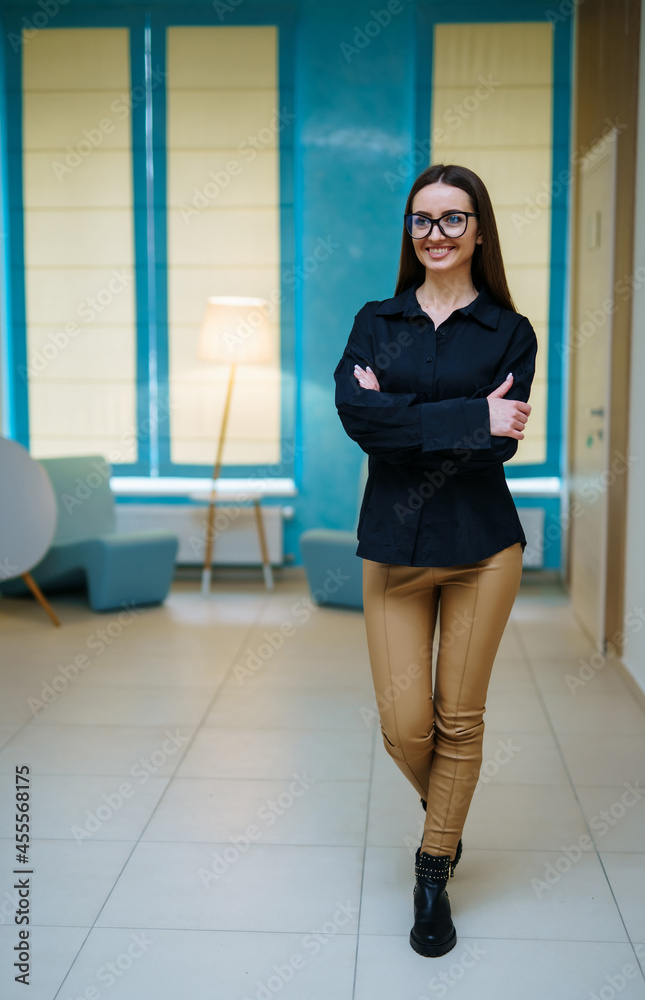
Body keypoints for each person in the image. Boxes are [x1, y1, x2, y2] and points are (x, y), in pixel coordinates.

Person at [333, 163, 538, 958]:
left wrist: (405, 414)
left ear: (478, 231)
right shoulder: (374, 320)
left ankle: (432, 868)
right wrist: (465, 415)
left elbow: (502, 442)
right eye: (422, 220)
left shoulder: (509, 332)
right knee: (402, 724)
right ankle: (449, 813)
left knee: (459, 717)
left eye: (454, 220)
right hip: (393, 543)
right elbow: (358, 420)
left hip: (484, 547)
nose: (437, 234)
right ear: (408, 232)